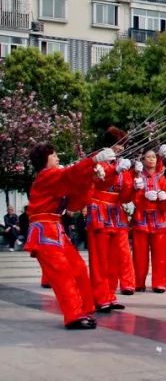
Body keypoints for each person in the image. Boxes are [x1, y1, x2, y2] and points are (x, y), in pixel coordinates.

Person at [26, 141, 120, 329]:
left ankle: (84, 309)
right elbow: (70, 175)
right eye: (54, 155)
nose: (58, 158)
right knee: (63, 275)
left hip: (55, 230)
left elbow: (75, 203)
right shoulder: (46, 176)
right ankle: (74, 315)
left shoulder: (54, 178)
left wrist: (91, 179)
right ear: (45, 159)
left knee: (78, 268)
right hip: (44, 231)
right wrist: (92, 160)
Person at [85, 127, 135, 313]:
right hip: (99, 209)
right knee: (100, 258)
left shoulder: (121, 164)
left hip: (116, 211)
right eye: (118, 144)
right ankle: (100, 297)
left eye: (123, 145)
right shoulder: (99, 158)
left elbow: (125, 196)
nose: (121, 148)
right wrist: (116, 170)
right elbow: (101, 180)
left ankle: (110, 295)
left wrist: (135, 185)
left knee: (115, 257)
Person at [131, 146, 166, 293]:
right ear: (143, 160)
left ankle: (159, 282)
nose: (151, 159)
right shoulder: (137, 177)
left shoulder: (162, 178)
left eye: (153, 157)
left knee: (160, 253)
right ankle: (138, 282)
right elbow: (133, 198)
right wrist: (142, 196)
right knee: (139, 254)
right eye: (148, 157)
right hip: (141, 219)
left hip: (159, 220)